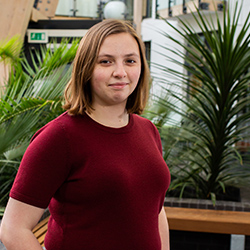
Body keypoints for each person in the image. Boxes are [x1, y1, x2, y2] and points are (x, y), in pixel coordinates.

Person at [0, 19, 170, 250]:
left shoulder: (148, 130)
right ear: (85, 68)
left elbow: (155, 210)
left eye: (130, 61)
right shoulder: (59, 137)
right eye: (105, 61)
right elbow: (12, 228)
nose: (120, 72)